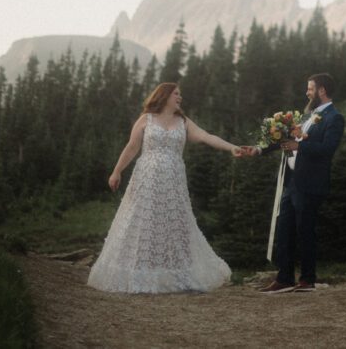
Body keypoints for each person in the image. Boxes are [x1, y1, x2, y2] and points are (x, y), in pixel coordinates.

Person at [87, 82, 243, 294]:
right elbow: (132, 147)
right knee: (142, 221)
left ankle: (177, 275)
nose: (180, 97)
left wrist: (232, 148)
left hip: (174, 182)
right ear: (165, 95)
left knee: (175, 222)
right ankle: (140, 275)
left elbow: (206, 136)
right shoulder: (146, 119)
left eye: (180, 94)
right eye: (176, 94)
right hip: (147, 179)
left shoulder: (183, 121)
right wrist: (117, 171)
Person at [245, 73, 345, 293]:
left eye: (310, 88)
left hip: (310, 184)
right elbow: (285, 141)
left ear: (322, 91)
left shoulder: (334, 118)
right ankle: (285, 277)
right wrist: (259, 150)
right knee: (284, 229)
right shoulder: (306, 116)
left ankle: (308, 279)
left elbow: (328, 150)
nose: (307, 92)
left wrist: (299, 146)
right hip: (291, 183)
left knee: (305, 230)